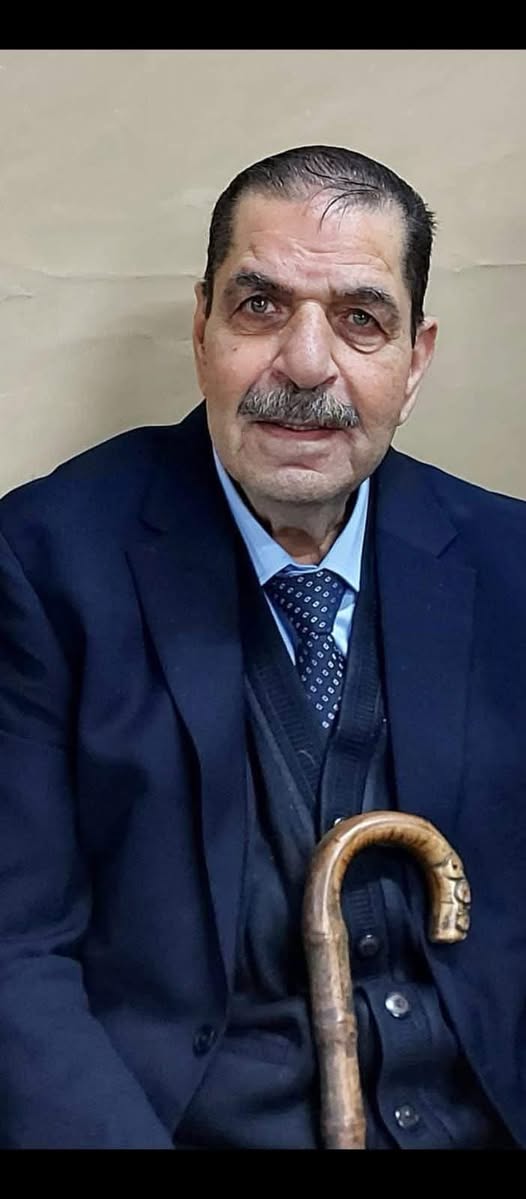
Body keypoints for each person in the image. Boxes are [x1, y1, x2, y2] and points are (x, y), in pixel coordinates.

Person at [0, 144, 524, 1151]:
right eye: (259, 306)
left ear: (415, 360)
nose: (306, 363)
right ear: (202, 329)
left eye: (360, 319)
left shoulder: (513, 565)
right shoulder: (42, 564)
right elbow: (13, 954)